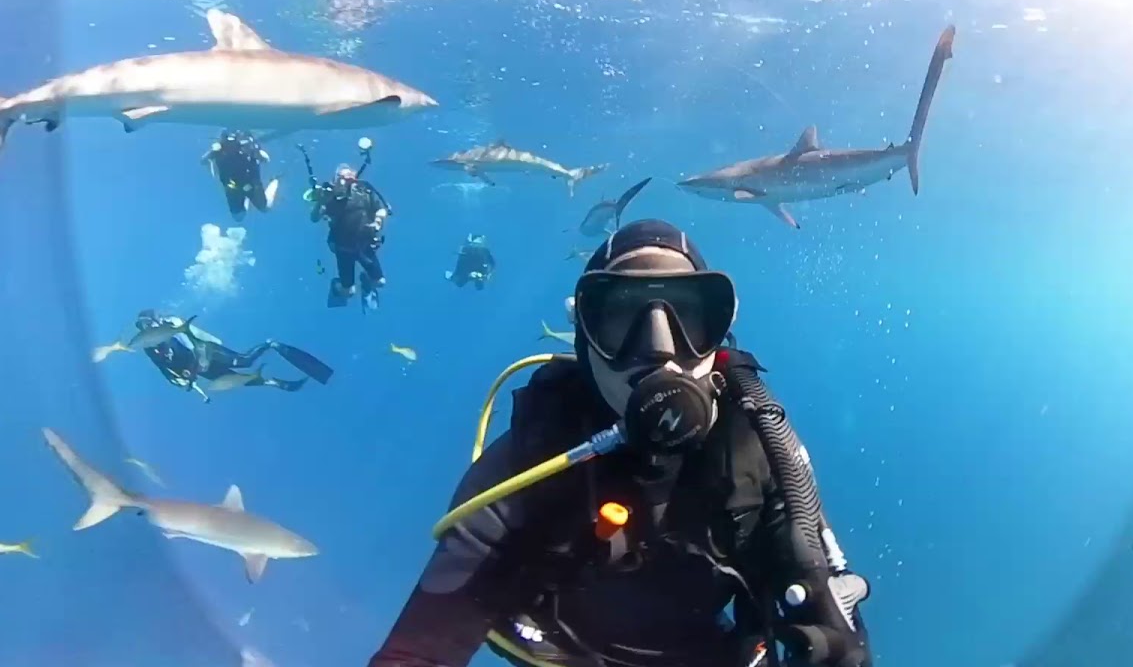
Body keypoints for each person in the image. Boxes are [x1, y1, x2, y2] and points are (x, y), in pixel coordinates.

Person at [369, 219, 872, 667]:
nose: (659, 348)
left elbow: (819, 593)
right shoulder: (532, 462)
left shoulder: (758, 446)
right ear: (585, 341)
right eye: (620, 317)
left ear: (719, 336)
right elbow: (418, 651)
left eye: (689, 317)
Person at [133, 310, 333, 402]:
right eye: (142, 327)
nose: (146, 330)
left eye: (147, 324)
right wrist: (187, 383)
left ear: (155, 321)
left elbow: (193, 342)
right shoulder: (150, 348)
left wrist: (196, 366)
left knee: (245, 362)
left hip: (207, 354)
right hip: (199, 370)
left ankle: (271, 345)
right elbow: (165, 372)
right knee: (239, 380)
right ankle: (277, 383)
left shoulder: (171, 325)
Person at [302, 138, 391, 310]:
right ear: (336, 180)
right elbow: (314, 218)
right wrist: (320, 202)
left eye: (349, 175)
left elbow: (381, 209)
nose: (347, 179)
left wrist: (378, 222)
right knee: (348, 292)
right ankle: (336, 287)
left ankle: (366, 282)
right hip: (344, 250)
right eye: (342, 177)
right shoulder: (330, 198)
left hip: (366, 245)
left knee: (380, 282)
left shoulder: (365, 191)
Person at [200, 129, 279, 221]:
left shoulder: (246, 150)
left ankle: (275, 181)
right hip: (232, 188)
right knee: (238, 216)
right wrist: (212, 153)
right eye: (227, 143)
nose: (231, 146)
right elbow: (203, 161)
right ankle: (246, 199)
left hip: (251, 185)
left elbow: (265, 159)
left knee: (264, 208)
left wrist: (254, 150)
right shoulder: (218, 152)